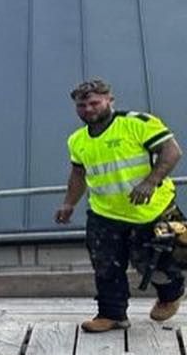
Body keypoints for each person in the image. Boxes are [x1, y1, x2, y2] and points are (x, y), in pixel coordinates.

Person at [54, 78, 184, 331]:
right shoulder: (77, 140)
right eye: (82, 106)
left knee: (154, 263)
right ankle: (112, 314)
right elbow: (79, 174)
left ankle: (171, 294)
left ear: (109, 100)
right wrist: (69, 203)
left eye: (94, 103)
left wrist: (151, 181)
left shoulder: (137, 124)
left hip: (151, 211)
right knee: (105, 265)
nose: (88, 109)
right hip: (105, 214)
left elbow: (172, 150)